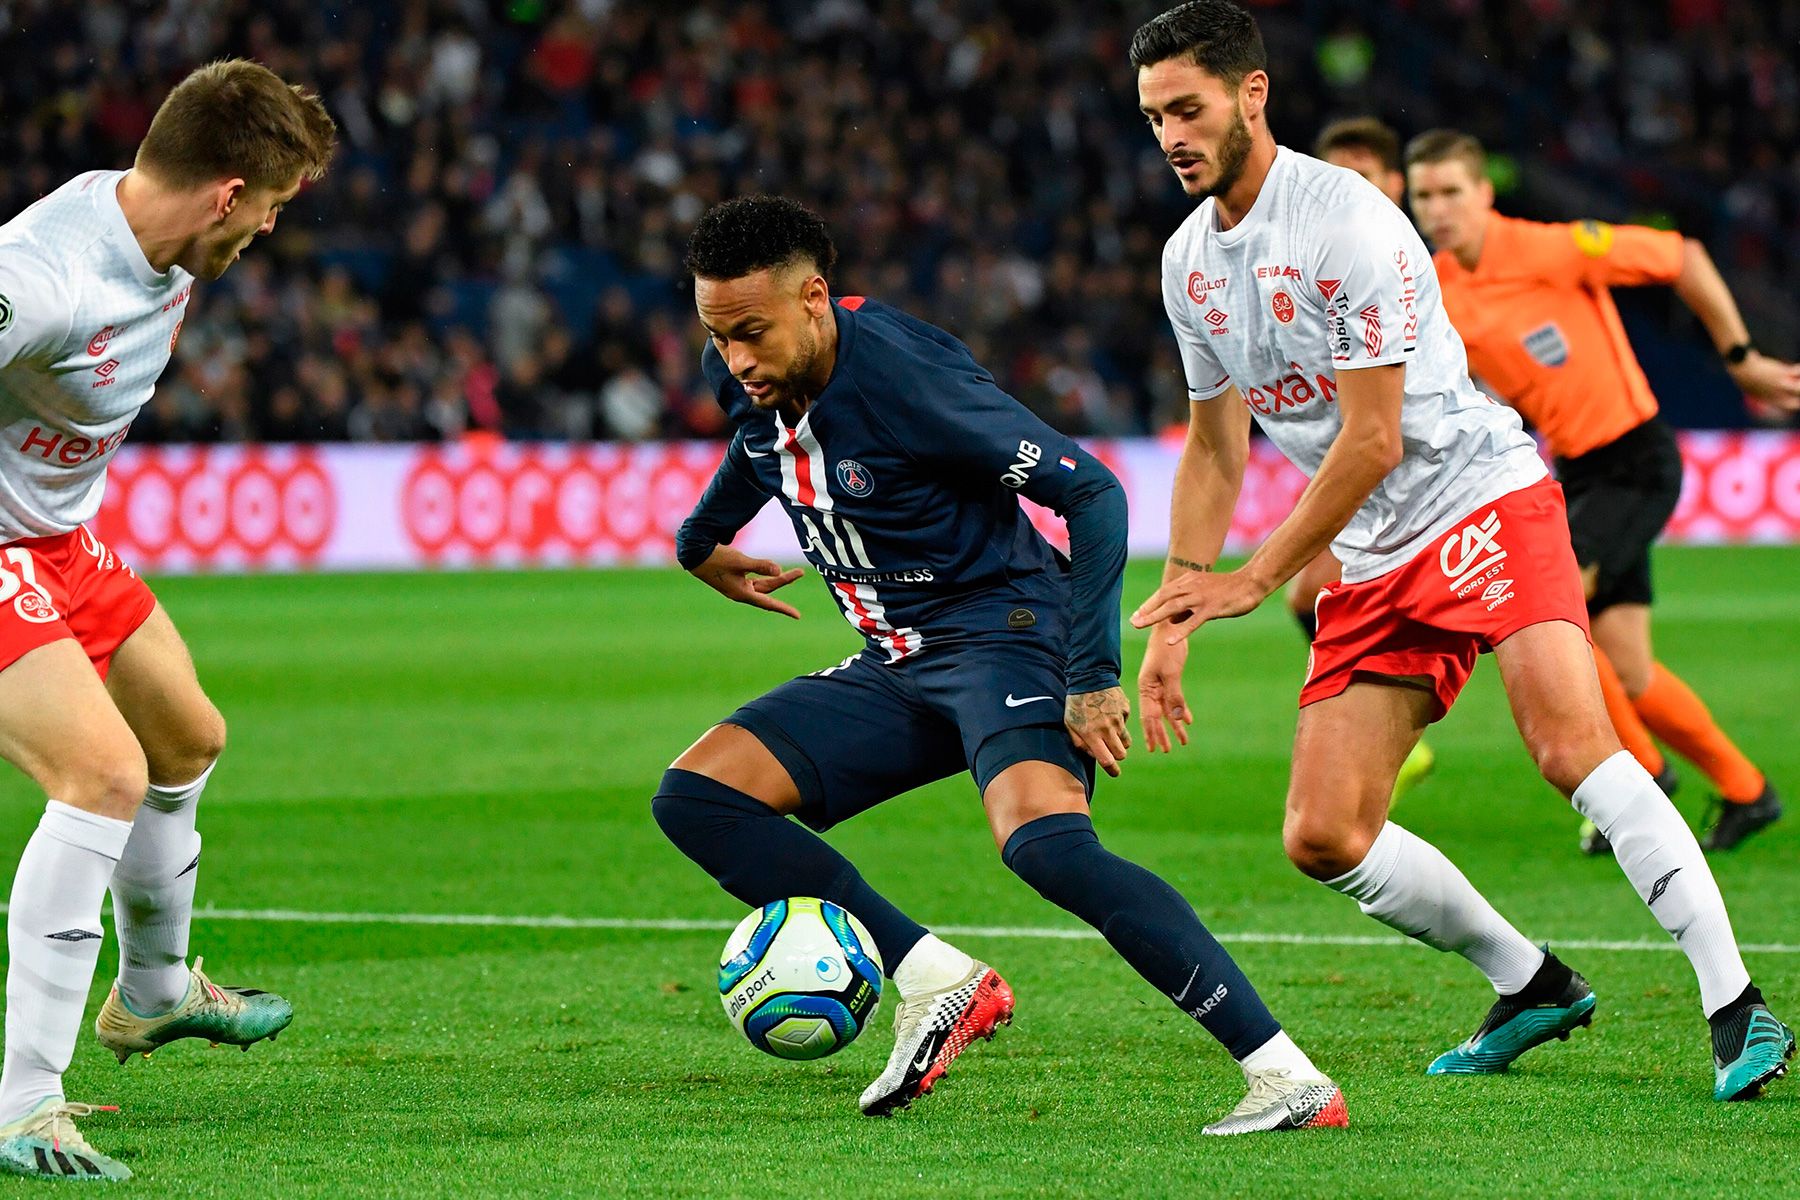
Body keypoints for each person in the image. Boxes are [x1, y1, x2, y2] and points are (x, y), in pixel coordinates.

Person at [1127, 0, 1792, 1102]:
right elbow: (1211, 447)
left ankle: (1737, 1004)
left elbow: (1374, 435)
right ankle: (1530, 982)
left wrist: (1262, 573)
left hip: (1484, 500)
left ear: (1253, 94)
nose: (1171, 137)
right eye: (1154, 118)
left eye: (1187, 109)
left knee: (1569, 746)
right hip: (1381, 553)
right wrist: (1180, 606)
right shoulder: (1188, 262)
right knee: (1324, 833)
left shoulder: (1350, 222)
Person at [654, 195, 1346, 1134]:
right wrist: (702, 541)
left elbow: (1092, 493)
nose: (734, 359)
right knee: (698, 796)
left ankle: (1286, 1078)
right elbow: (760, 441)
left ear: (815, 298)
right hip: (896, 660)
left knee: (1047, 848)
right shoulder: (748, 364)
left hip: (1005, 632)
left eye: (750, 333)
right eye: (717, 335)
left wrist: (1091, 672)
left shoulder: (908, 377)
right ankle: (939, 981)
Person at [0, 60, 336, 1181]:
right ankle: (24, 1103)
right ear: (228, 193)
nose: (272, 230)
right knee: (101, 774)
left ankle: (150, 996)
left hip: (60, 533)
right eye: (275, 206)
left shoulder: (154, 223)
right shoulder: (41, 278)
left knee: (185, 737)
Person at [1406, 129, 1799, 854]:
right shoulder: (1438, 289)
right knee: (1628, 665)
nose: (1438, 209)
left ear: (1485, 193)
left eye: (1451, 191)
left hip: (1635, 457)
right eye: (1424, 195)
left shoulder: (1552, 248)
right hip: (1578, 472)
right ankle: (1748, 792)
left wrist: (1740, 358)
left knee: (1556, 609)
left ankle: (1644, 775)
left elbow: (1684, 256)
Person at [1285, 116, 1435, 803]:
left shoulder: (1421, 262)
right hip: (1364, 470)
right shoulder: (1324, 263)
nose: (1355, 192)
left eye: (1368, 178)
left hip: (1436, 476)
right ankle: (1397, 734)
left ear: (1395, 185)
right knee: (1305, 595)